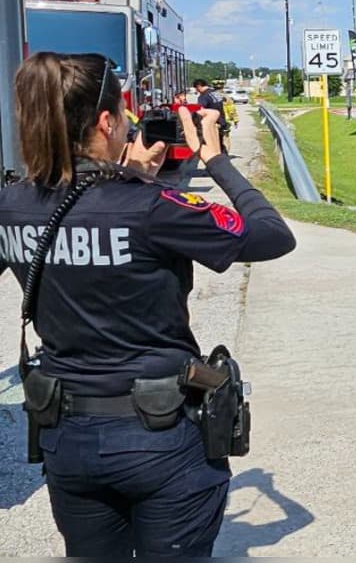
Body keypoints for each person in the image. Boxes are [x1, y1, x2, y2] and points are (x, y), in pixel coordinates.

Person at [1, 52, 297, 556]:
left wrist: (120, 177)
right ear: (105, 122)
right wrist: (216, 159)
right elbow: (271, 235)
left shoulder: (11, 207)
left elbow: (73, 215)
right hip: (160, 438)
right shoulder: (153, 207)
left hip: (66, 438)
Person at [193, 79, 228, 153]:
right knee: (220, 143)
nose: (196, 91)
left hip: (212, 124)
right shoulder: (215, 93)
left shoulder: (203, 96)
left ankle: (218, 161)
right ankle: (223, 158)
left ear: (199, 86)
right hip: (221, 121)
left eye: (196, 88)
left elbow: (201, 110)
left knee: (212, 145)